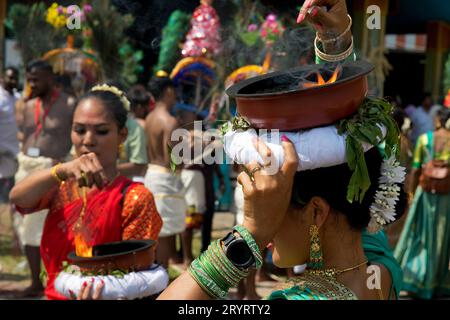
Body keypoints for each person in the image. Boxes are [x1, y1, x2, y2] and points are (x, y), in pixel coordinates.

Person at [155, 0, 405, 300]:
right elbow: (348, 186)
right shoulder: (381, 268)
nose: (260, 213)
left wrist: (252, 231)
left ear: (316, 212)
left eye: (268, 201)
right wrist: (336, 49)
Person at [9, 84, 163, 300]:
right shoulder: (60, 186)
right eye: (79, 130)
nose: (88, 140)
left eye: (101, 131)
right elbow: (19, 197)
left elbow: (136, 276)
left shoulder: (134, 197)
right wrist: (62, 170)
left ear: (122, 135)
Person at [13, 60, 75, 298]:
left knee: (53, 226)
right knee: (26, 228)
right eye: (29, 79)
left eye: (37, 79)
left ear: (50, 77)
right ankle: (34, 280)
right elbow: (24, 133)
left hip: (52, 169)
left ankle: (55, 278)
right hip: (27, 167)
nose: (32, 83)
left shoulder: (68, 104)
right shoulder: (26, 105)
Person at [394, 107, 450, 299]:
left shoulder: (425, 140)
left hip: (425, 195)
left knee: (419, 235)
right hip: (446, 198)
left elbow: (416, 169)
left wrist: (411, 192)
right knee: (441, 238)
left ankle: (414, 279)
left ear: (437, 121)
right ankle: (438, 282)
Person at [144, 75, 187, 269]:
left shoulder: (149, 118)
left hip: (151, 175)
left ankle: (159, 277)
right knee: (166, 232)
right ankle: (160, 280)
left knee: (159, 231)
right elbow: (174, 161)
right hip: (165, 179)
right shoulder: (169, 121)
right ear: (168, 91)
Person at [0, 67, 20, 203]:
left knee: (12, 200)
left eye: (15, 78)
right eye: (10, 77)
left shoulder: (18, 98)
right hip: (2, 155)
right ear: (3, 78)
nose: (13, 81)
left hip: (16, 155)